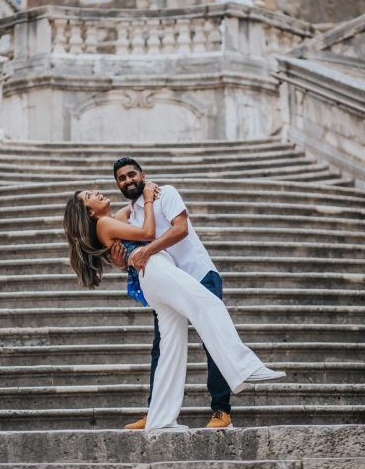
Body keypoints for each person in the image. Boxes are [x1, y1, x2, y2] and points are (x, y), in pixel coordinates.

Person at [63, 160, 286, 432]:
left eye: (132, 175)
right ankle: (245, 367)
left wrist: (144, 199)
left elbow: (155, 233)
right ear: (90, 212)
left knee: (171, 346)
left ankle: (161, 418)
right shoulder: (109, 223)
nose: (98, 191)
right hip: (156, 269)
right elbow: (145, 235)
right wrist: (145, 203)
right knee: (207, 307)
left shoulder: (125, 213)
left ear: (142, 176)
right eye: (90, 196)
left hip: (172, 273)